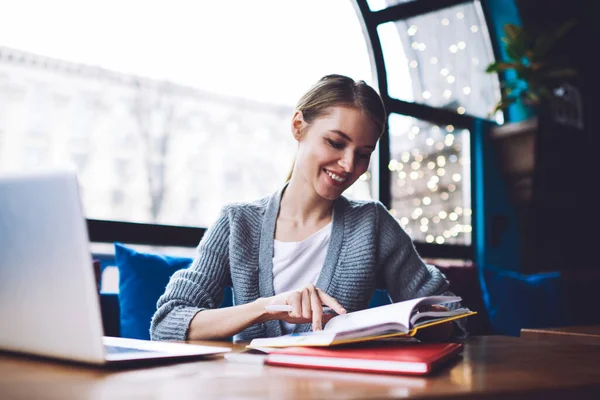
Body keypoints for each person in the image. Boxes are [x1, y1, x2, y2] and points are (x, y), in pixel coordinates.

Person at [150, 74, 465, 342]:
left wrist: (422, 320)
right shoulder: (237, 223)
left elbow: (455, 319)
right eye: (335, 143)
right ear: (298, 126)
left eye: (363, 154)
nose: (348, 165)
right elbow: (168, 323)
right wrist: (266, 306)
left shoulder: (371, 224)